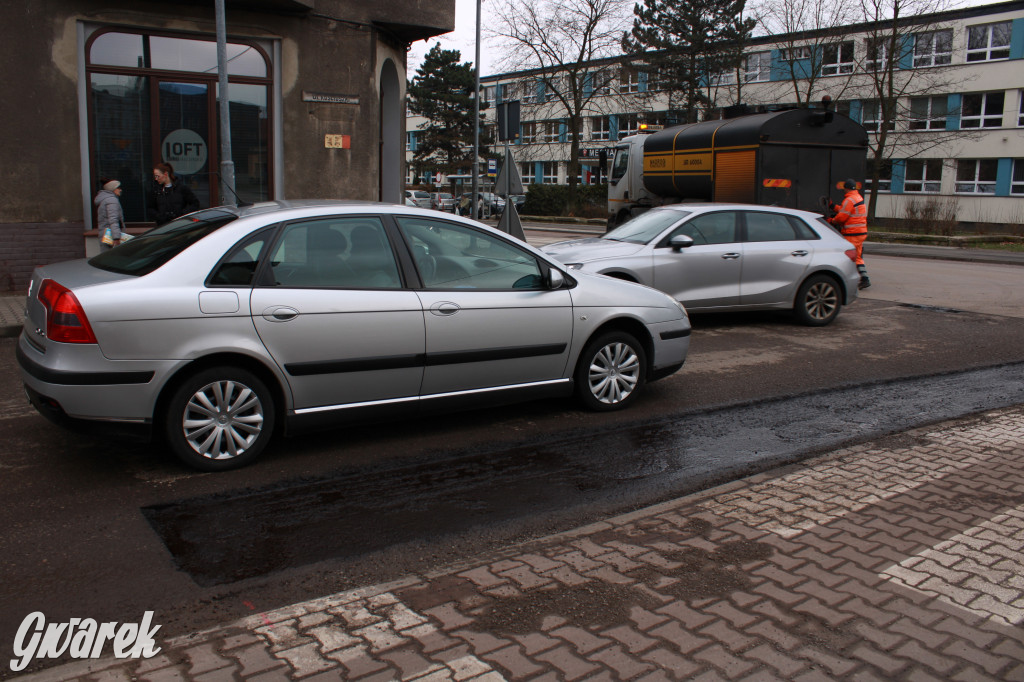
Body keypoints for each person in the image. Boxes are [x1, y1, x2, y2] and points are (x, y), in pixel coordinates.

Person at [829, 178, 871, 289]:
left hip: (852, 233)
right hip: (860, 233)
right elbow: (844, 210)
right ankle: (865, 278)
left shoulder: (849, 200)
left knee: (847, 257)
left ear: (846, 189)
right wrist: (833, 206)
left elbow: (842, 217)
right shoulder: (857, 197)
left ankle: (847, 280)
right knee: (857, 257)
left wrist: (831, 221)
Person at [94, 179, 124, 251]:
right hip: (111, 239)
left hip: (105, 236)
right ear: (113, 189)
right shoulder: (112, 200)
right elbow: (113, 220)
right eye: (118, 188)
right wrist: (116, 238)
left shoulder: (105, 199)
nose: (120, 190)